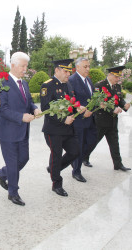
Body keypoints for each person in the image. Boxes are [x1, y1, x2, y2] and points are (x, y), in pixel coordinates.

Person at [0, 52, 41, 206]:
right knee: (13, 164)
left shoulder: (24, 84)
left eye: (26, 66)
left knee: (24, 158)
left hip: (23, 130)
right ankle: (13, 192)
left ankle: (2, 173)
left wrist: (35, 109)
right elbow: (2, 109)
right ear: (12, 65)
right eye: (22, 66)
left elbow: (30, 102)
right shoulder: (2, 83)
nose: (25, 69)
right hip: (8, 130)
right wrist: (21, 117)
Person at [40, 59, 80, 197]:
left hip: (68, 129)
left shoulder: (68, 84)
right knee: (56, 156)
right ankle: (57, 184)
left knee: (75, 151)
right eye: (65, 71)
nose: (68, 74)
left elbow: (71, 104)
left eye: (69, 71)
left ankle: (53, 169)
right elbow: (45, 109)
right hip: (54, 129)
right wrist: (64, 119)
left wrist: (78, 109)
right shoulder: (48, 86)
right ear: (57, 70)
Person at [88, 66, 131, 171]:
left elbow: (120, 99)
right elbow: (98, 102)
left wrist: (125, 105)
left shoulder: (117, 87)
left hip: (113, 120)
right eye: (116, 76)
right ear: (110, 75)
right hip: (101, 120)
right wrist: (112, 109)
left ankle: (118, 164)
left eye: (119, 77)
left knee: (114, 143)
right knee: (93, 141)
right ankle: (84, 157)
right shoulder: (99, 85)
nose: (118, 79)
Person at [68, 57, 98, 183]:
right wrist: (80, 111)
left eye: (88, 66)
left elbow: (93, 98)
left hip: (90, 117)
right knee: (79, 145)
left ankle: (73, 160)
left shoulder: (89, 80)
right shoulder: (72, 80)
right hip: (79, 119)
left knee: (92, 139)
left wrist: (93, 108)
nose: (88, 69)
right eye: (85, 66)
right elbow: (70, 99)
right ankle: (76, 171)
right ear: (78, 67)